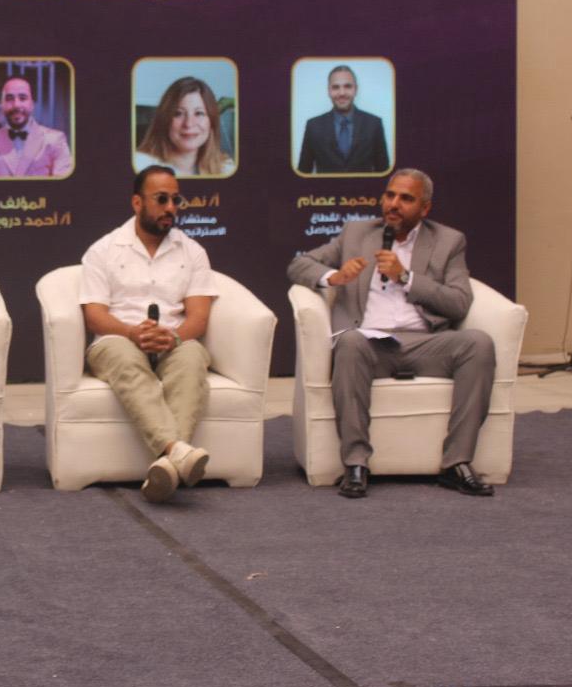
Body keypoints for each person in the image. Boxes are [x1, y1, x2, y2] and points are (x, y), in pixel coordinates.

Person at [286, 168, 495, 498]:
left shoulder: (448, 241)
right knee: (350, 343)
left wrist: (406, 278)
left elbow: (459, 302)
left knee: (478, 344)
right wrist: (334, 277)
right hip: (369, 342)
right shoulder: (357, 233)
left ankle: (456, 462)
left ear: (425, 208)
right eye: (390, 195)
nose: (394, 204)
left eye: (406, 199)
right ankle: (356, 464)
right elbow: (299, 265)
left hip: (426, 343)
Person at [79, 165, 218, 503]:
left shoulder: (192, 251)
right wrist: (131, 332)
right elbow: (95, 316)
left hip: (174, 340)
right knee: (126, 360)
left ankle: (168, 464)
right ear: (137, 203)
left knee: (192, 358)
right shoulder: (103, 250)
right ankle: (178, 452)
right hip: (118, 339)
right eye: (161, 199)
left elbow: (199, 317)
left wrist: (174, 338)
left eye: (175, 200)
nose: (171, 208)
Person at [0, 77, 73, 178]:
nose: (16, 105)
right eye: (9, 99)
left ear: (32, 104)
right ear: (2, 105)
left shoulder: (55, 140)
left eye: (23, 98)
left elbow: (62, 185)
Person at [297, 65, 390, 175]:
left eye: (348, 86)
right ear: (328, 91)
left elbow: (384, 172)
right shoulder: (313, 126)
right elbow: (303, 172)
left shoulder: (374, 124)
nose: (342, 93)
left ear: (356, 89)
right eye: (336, 87)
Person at [134, 76, 235, 177]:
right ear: (164, 120)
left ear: (211, 122)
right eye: (178, 113)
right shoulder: (140, 165)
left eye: (199, 113)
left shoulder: (226, 168)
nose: (188, 124)